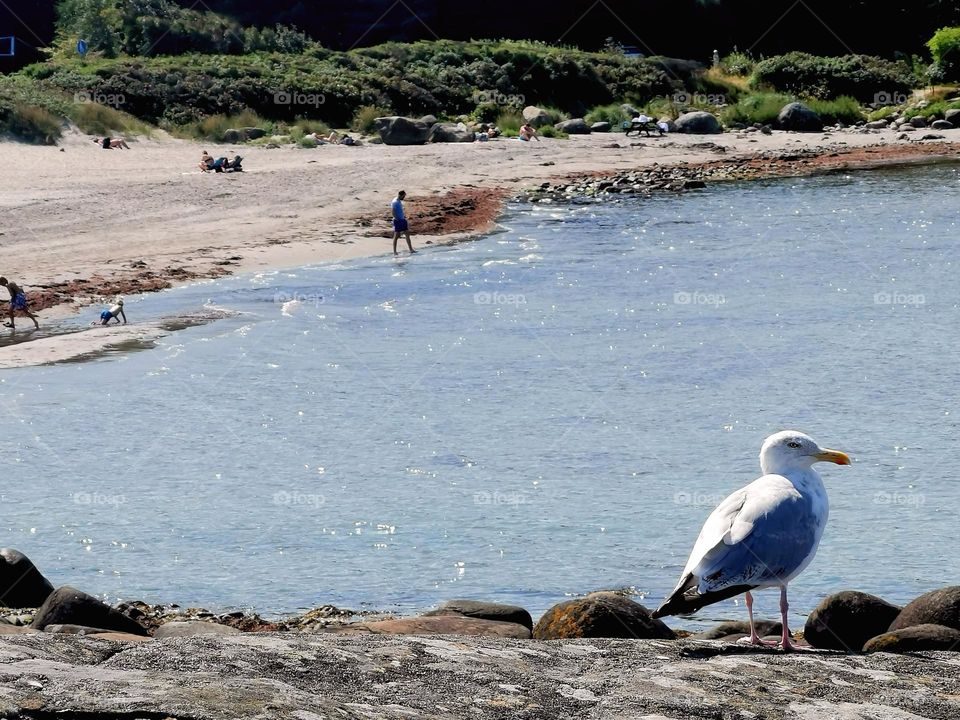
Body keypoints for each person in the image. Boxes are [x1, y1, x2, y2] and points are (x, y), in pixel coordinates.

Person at [391, 190, 416, 256]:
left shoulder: (399, 201)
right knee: (396, 236)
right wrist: (397, 219)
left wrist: (403, 217)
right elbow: (393, 212)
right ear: (400, 195)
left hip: (402, 220)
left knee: (407, 234)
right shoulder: (395, 202)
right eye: (403, 196)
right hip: (398, 221)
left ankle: (411, 249)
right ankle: (394, 252)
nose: (404, 197)